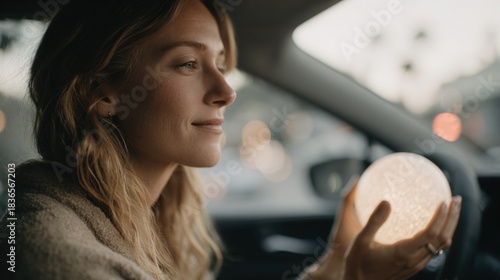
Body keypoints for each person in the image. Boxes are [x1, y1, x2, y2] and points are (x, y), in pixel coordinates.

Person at [0, 0, 461, 279]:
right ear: (102, 93)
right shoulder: (50, 247)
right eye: (187, 63)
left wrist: (339, 263)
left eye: (221, 63)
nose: (225, 91)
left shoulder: (149, 217)